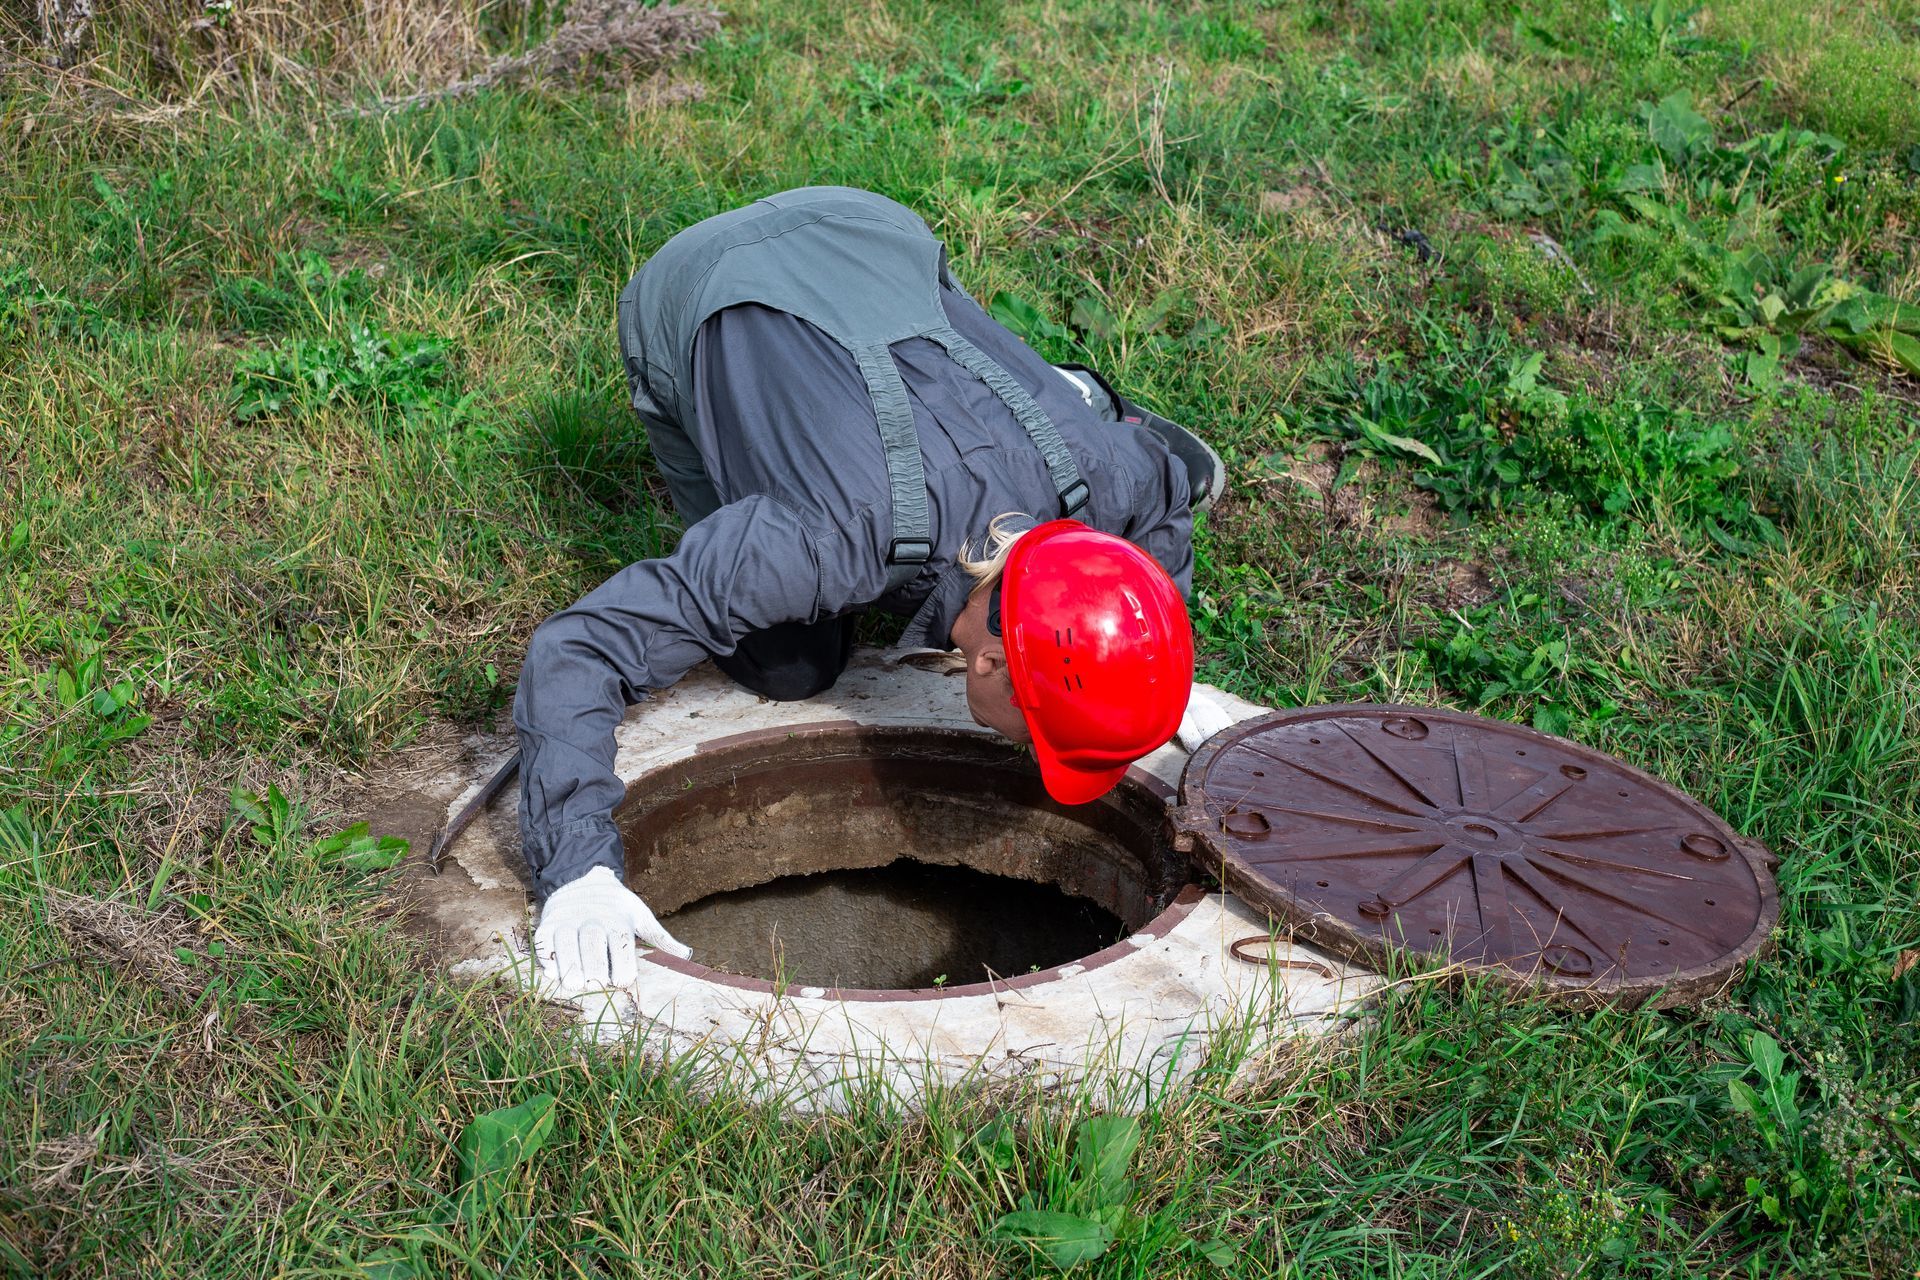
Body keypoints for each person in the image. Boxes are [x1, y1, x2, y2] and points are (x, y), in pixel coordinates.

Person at [517, 187, 1233, 995]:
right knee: (787, 668)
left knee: (813, 650)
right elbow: (580, 648)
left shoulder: (1102, 475)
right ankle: (1038, 399)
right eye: (1037, 737)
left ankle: (1072, 399)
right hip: (704, 286)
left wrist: (1154, 676)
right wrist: (576, 870)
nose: (1032, 759)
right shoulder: (818, 543)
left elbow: (1171, 488)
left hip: (878, 234)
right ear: (991, 663)